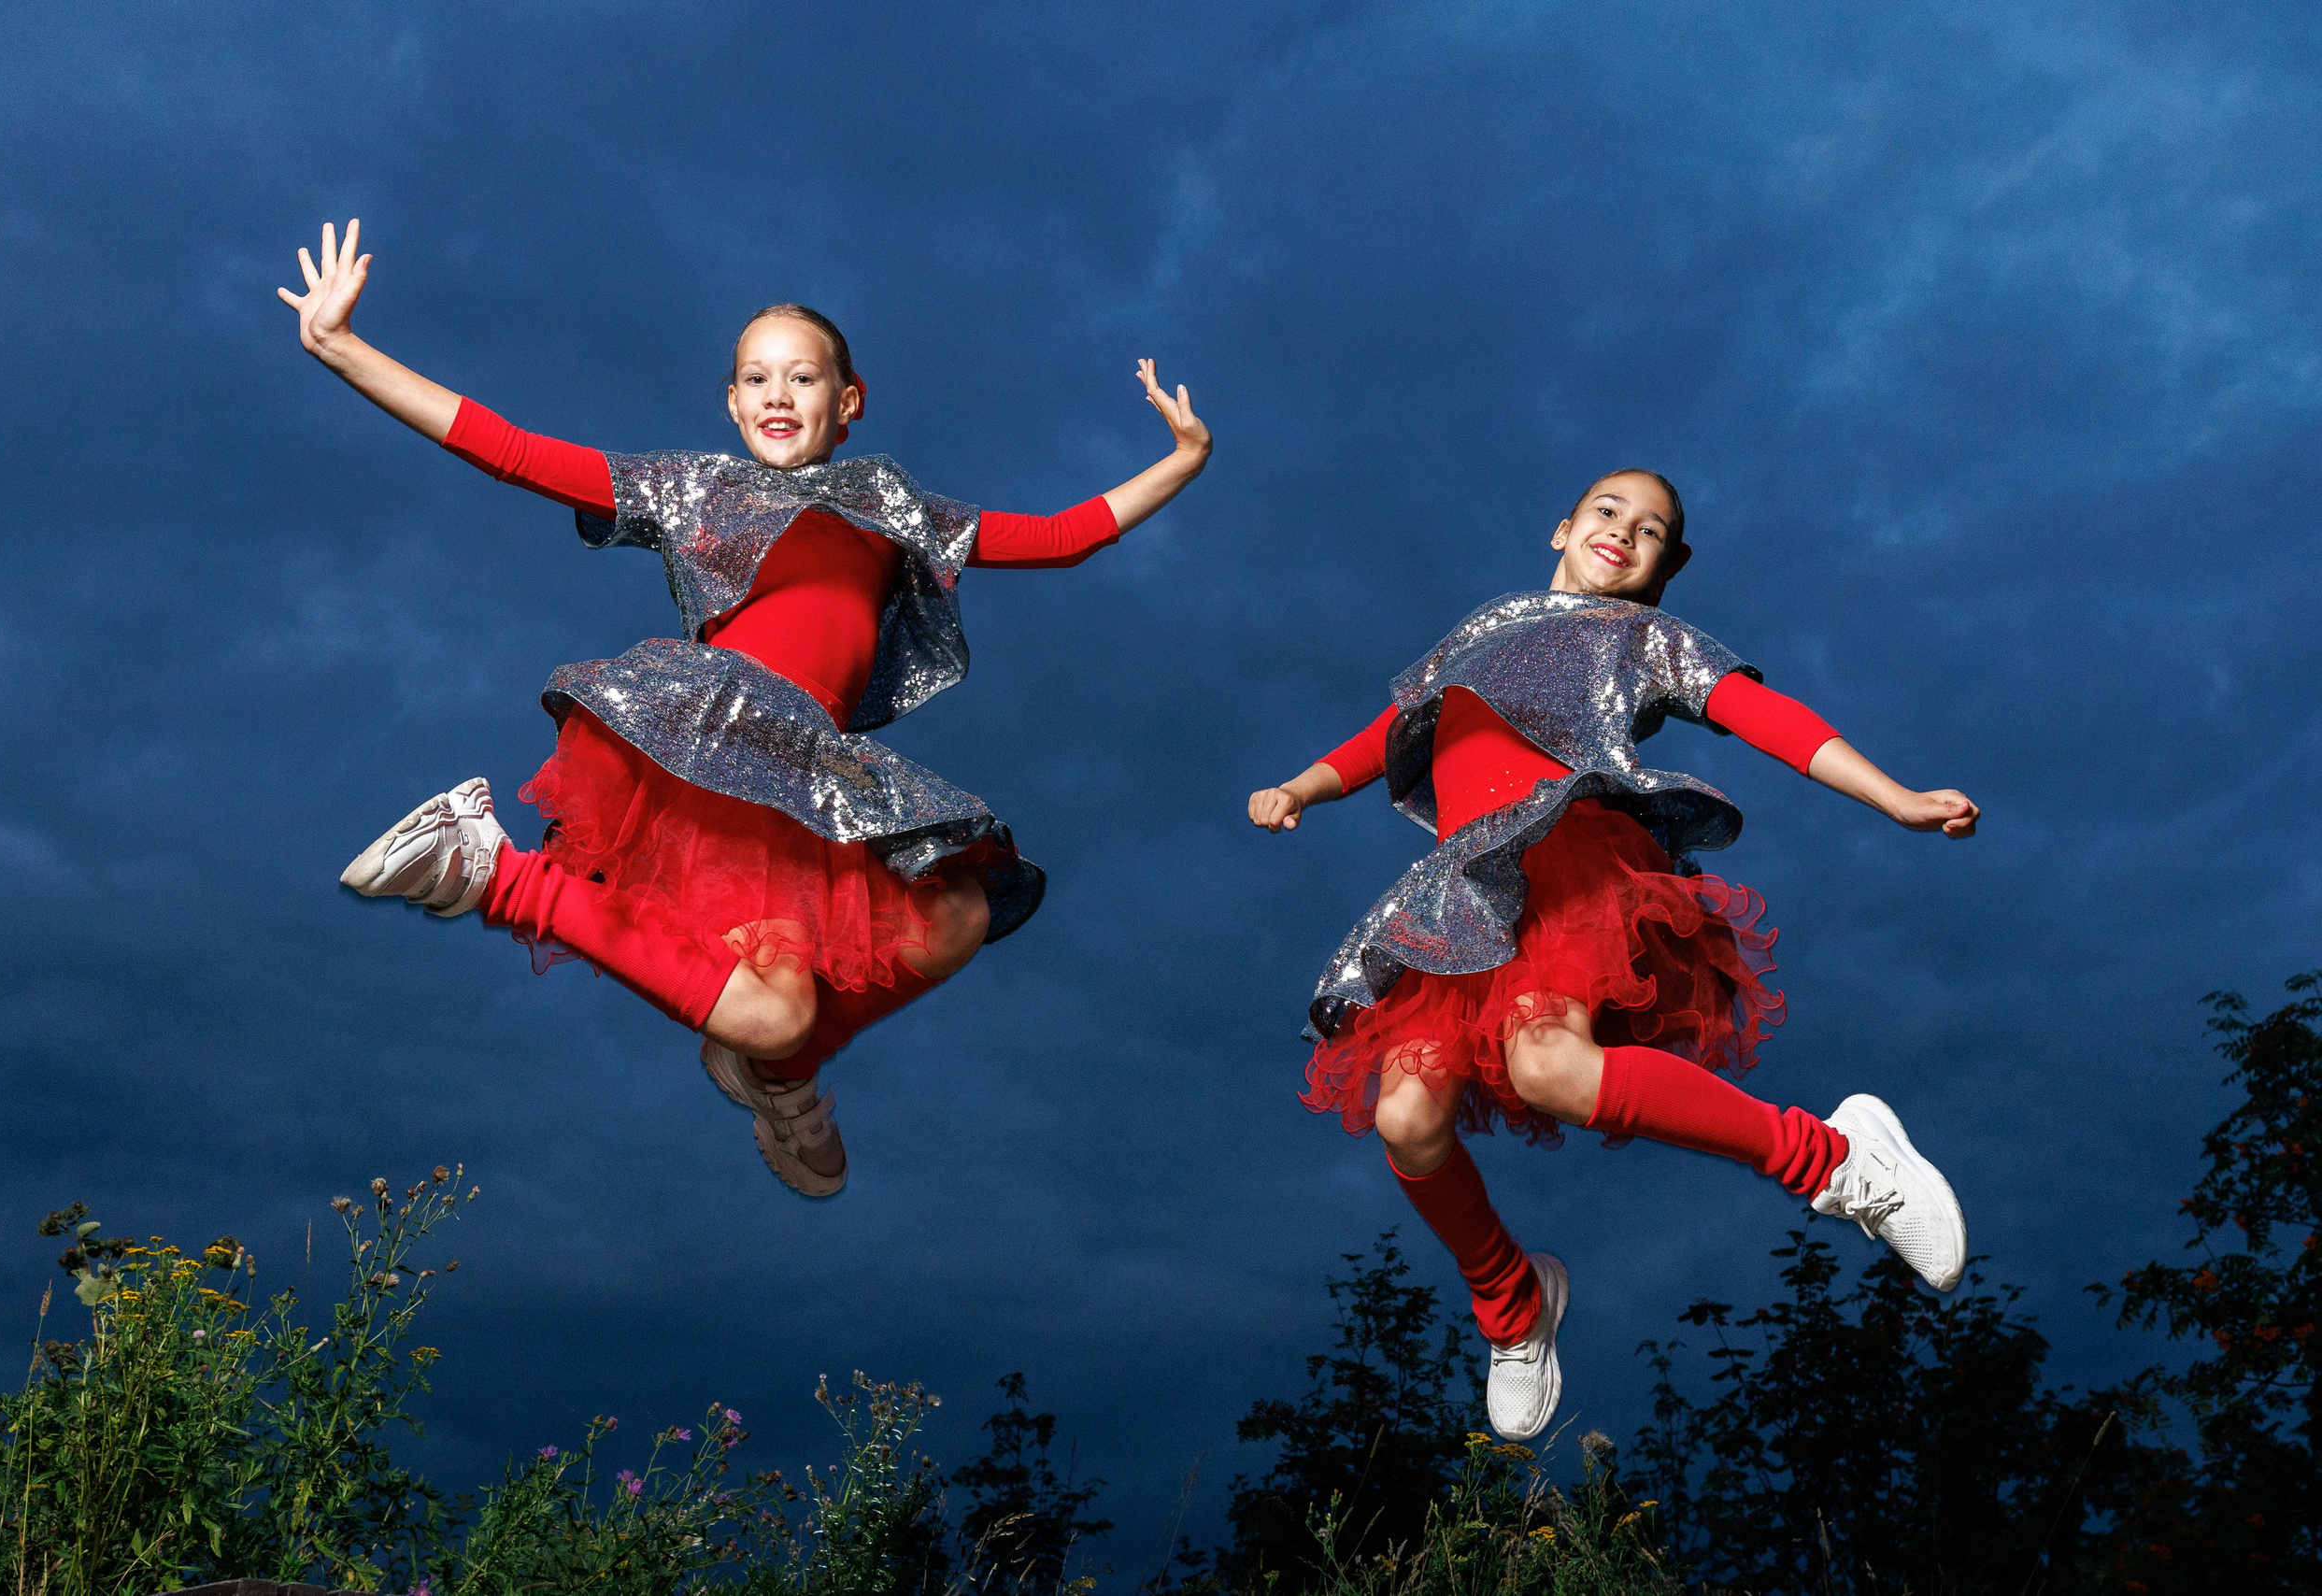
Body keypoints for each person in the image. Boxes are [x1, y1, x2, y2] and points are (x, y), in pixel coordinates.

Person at [280, 220, 1211, 1197]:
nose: (778, 394)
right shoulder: (691, 487)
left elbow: (1060, 536)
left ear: (846, 401)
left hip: (818, 780)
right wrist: (342, 347)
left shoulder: (892, 504)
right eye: (756, 378)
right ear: (730, 403)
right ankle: (489, 873)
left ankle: (780, 1072)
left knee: (956, 914)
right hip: (709, 748)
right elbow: (511, 449)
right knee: (782, 998)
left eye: (802, 378)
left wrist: (1181, 460)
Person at [1248, 468, 1974, 1439]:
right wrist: (1300, 784)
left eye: (1651, 530)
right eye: (1607, 511)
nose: (1623, 532)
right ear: (1562, 524)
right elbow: (1392, 732)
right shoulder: (1481, 627)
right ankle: (1512, 1305)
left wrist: (1894, 796)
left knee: (1547, 1063)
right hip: (1463, 892)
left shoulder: (1641, 637)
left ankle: (1837, 1161)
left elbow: (1765, 715)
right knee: (1405, 1116)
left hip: (1566, 856)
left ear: (1666, 567)